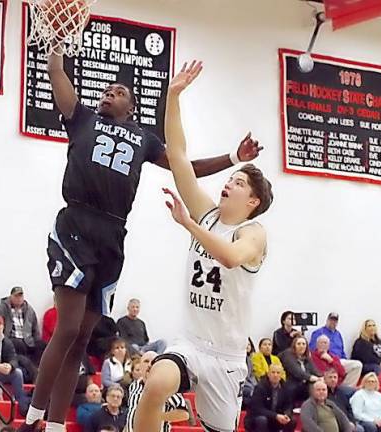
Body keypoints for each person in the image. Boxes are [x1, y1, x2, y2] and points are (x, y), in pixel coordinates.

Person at [18, 50, 261, 432]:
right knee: (67, 327)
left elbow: (184, 166)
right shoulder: (82, 118)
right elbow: (57, 78)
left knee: (82, 337)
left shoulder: (143, 138)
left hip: (114, 233)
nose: (108, 93)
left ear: (131, 107)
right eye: (106, 90)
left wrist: (233, 157)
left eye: (118, 91)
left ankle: (53, 425)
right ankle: (33, 415)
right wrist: (55, 51)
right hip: (77, 222)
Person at [133, 61, 269, 432]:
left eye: (239, 183)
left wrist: (188, 225)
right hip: (191, 343)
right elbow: (178, 156)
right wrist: (172, 96)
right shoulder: (207, 215)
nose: (229, 183)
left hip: (226, 357)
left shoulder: (253, 234)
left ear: (252, 201)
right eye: (231, 178)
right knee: (157, 382)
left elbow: (228, 257)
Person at [126, 351, 189, 432]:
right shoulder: (134, 385)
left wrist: (156, 416)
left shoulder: (164, 385)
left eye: (153, 361)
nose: (149, 364)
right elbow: (131, 413)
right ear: (140, 365)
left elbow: (184, 414)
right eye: (146, 361)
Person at [0, 286, 46, 365]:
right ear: (10, 297)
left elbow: (35, 329)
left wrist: (37, 340)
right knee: (19, 344)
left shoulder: (29, 310)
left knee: (42, 345)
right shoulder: (3, 308)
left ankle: (37, 367)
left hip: (28, 341)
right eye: (16, 296)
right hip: (11, 339)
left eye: (20, 296)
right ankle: (29, 367)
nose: (18, 298)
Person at [310, 313, 362, 387]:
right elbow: (312, 349)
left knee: (357, 365)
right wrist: (324, 356)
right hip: (324, 360)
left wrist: (335, 360)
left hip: (337, 360)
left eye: (335, 321)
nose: (333, 322)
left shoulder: (338, 334)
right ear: (327, 320)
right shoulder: (318, 332)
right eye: (331, 320)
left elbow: (342, 351)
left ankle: (346, 388)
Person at [244, 363, 294, 432]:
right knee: (262, 420)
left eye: (278, 373)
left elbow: (289, 405)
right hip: (257, 417)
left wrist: (286, 414)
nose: (275, 375)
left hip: (275, 418)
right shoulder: (260, 387)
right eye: (273, 372)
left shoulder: (285, 387)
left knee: (291, 421)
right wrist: (276, 416)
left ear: (281, 375)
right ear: (268, 374)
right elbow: (258, 409)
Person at [280, 336, 323, 403]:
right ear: (294, 346)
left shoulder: (306, 356)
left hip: (303, 383)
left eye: (303, 344)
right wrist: (312, 378)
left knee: (318, 385)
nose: (301, 346)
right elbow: (297, 372)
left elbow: (314, 370)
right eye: (299, 344)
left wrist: (322, 377)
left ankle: (317, 407)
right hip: (290, 383)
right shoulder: (288, 354)